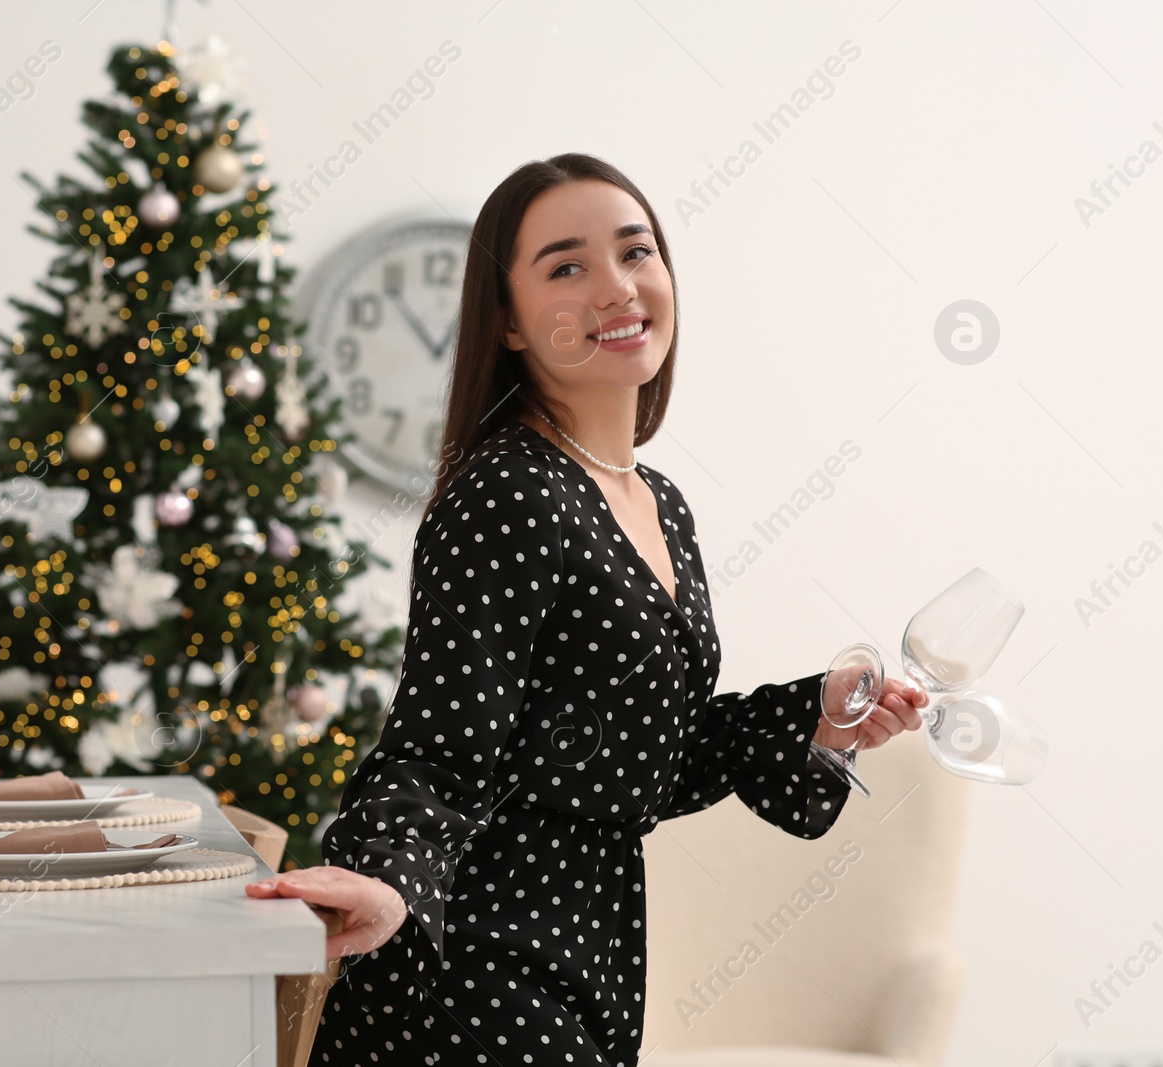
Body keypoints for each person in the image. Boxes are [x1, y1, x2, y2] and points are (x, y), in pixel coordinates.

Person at [245, 152, 927, 1065]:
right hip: (480, 966)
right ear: (511, 324)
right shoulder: (509, 493)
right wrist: (387, 875)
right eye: (566, 267)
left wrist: (815, 709)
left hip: (595, 947)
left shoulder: (660, 503)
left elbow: (646, 762)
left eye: (636, 252)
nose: (617, 287)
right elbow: (438, 748)